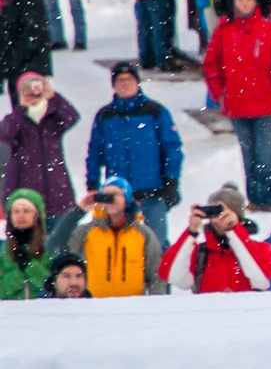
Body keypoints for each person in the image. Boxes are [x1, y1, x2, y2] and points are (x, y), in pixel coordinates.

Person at [203, 0, 271, 211]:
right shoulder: (224, 32)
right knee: (248, 154)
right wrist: (220, 93)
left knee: (265, 154)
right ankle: (254, 198)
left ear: (255, 1)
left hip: (266, 103)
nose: (244, 4)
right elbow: (211, 65)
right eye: (240, 0)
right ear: (235, 3)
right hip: (237, 103)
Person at [85, 61, 183, 248]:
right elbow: (94, 153)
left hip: (152, 192)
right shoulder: (105, 116)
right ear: (113, 85)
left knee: (156, 244)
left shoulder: (155, 112)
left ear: (137, 82)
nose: (124, 83)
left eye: (129, 79)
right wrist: (92, 183)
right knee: (119, 244)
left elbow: (172, 148)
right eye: (120, 80)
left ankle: (157, 277)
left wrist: (172, 180)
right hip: (117, 197)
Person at [160, 183, 271, 294]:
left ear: (238, 216)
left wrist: (235, 230)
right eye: (216, 213)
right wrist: (191, 232)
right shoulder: (199, 253)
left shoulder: (262, 249)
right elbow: (170, 274)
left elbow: (264, 279)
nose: (221, 219)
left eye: (226, 213)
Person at [65, 178, 166, 296]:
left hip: (134, 308)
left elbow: (156, 276)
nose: (110, 200)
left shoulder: (143, 234)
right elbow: (56, 246)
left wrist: (156, 305)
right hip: (93, 307)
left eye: (115, 195)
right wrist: (79, 211)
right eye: (105, 196)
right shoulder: (86, 232)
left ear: (127, 199)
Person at [0, 72, 78, 225]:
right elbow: (4, 134)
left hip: (58, 194)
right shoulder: (17, 120)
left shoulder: (53, 119)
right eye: (27, 88)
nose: (33, 92)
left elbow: (72, 117)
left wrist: (54, 96)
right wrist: (21, 107)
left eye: (36, 87)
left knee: (58, 244)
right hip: (26, 199)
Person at [0, 0, 52, 106]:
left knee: (29, 113)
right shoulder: (12, 1)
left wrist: (16, 63)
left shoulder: (28, 0)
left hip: (28, 68)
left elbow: (33, 37)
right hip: (17, 68)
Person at [1, 188, 51, 299]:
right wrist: (19, 273)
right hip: (11, 313)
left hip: (44, 311)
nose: (21, 215)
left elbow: (52, 286)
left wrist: (29, 265)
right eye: (16, 211)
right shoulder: (2, 249)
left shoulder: (49, 247)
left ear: (36, 216)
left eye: (27, 211)